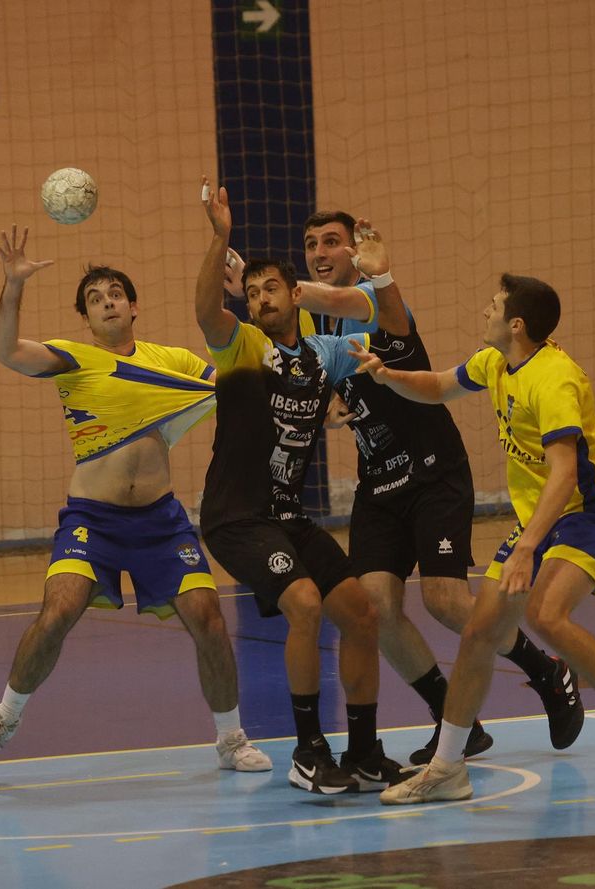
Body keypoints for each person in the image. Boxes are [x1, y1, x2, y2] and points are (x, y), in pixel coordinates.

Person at [347, 274, 595, 804]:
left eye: (494, 305)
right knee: (479, 633)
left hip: (586, 513)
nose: (485, 311)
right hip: (540, 520)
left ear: (516, 324)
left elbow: (566, 474)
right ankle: (448, 768)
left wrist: (528, 545)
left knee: (546, 614)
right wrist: (386, 376)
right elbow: (437, 387)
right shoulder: (496, 364)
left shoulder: (553, 381)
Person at [0, 226, 270, 774]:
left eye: (115, 295)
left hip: (161, 521)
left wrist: (245, 306)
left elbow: (241, 380)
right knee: (58, 612)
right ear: (86, 317)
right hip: (92, 520)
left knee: (209, 619)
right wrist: (13, 286)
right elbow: (3, 350)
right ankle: (5, 716)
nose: (107, 304)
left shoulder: (169, 359)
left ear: (133, 306)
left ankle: (230, 739)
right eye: (95, 300)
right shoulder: (72, 359)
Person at [296, 211, 584, 765]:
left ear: (356, 252)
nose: (319, 251)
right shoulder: (318, 328)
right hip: (377, 480)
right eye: (310, 244)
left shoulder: (370, 299)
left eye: (331, 241)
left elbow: (338, 303)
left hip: (432, 472)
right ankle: (458, 721)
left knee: (446, 601)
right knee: (375, 608)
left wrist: (276, 290)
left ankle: (547, 673)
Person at [193, 180, 403, 795]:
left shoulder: (323, 352)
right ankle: (309, 752)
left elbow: (393, 334)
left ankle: (363, 753)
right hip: (236, 517)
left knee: (362, 614)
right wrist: (220, 236)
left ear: (295, 295)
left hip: (287, 515)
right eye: (251, 292)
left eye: (270, 288)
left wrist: (380, 278)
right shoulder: (244, 348)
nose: (259, 298)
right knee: (305, 604)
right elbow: (208, 311)